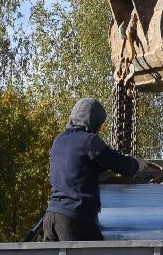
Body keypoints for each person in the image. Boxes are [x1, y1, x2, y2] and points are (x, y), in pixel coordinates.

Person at [39, 98, 142, 242]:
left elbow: (79, 168)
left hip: (51, 218)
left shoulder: (59, 140)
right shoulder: (89, 141)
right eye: (99, 124)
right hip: (74, 219)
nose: (99, 129)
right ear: (92, 120)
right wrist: (137, 165)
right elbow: (122, 164)